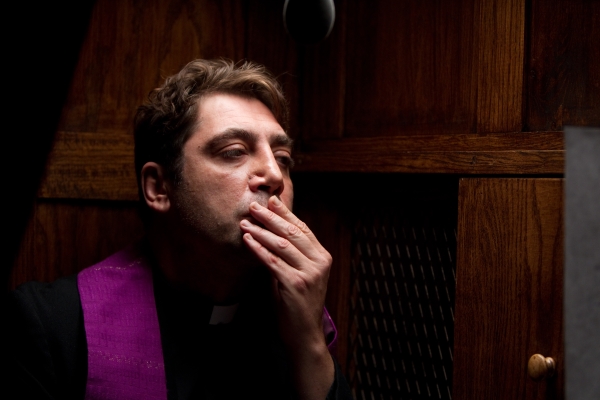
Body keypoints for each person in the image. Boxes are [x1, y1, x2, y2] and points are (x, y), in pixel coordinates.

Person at [6, 59, 353, 399]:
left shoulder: (298, 316)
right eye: (234, 151)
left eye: (283, 158)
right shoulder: (51, 325)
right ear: (159, 187)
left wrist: (309, 341)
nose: (275, 176)